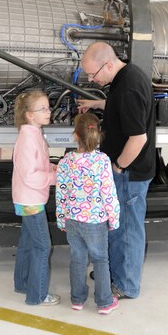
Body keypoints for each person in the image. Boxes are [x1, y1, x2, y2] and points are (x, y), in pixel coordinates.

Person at [77, 42, 156, 299]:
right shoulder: (124, 77)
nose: (92, 79)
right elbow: (120, 106)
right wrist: (99, 104)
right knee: (117, 226)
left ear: (108, 64)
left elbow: (138, 138)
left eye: (93, 74)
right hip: (126, 171)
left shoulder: (129, 88)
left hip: (129, 173)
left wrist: (118, 166)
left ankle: (125, 285)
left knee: (127, 230)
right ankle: (115, 273)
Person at [56, 112, 120, 315]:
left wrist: (61, 218)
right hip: (95, 221)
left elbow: (61, 192)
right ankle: (104, 301)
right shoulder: (102, 161)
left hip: (73, 220)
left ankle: (77, 299)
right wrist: (114, 218)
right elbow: (108, 193)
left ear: (75, 136)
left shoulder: (66, 161)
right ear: (97, 134)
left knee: (77, 259)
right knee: (101, 260)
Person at [12, 90, 60, 306]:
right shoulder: (28, 140)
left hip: (29, 198)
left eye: (48, 107)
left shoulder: (34, 134)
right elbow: (30, 175)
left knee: (27, 243)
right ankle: (37, 295)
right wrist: (53, 177)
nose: (49, 112)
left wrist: (53, 167)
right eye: (43, 109)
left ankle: (22, 284)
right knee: (43, 246)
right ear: (30, 115)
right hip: (31, 201)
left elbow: (36, 165)